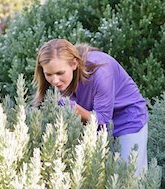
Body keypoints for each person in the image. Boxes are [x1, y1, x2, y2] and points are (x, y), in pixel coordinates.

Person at [33, 39, 148, 174]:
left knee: (130, 178)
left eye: (60, 73)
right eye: (49, 74)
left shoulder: (101, 73)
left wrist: (71, 107)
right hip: (92, 124)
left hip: (128, 120)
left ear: (74, 64)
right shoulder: (60, 76)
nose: (55, 81)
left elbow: (102, 121)